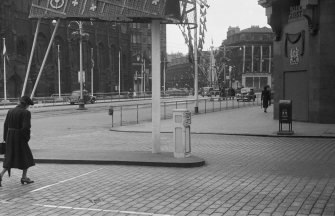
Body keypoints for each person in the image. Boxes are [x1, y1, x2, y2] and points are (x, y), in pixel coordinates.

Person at [0, 96, 35, 187]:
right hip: (20, 138)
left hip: (10, 137)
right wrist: (26, 138)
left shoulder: (10, 111)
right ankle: (24, 177)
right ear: (26, 104)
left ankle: (0, 175)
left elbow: (5, 125)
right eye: (28, 105)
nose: (28, 107)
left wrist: (6, 138)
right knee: (26, 157)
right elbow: (26, 127)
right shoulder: (26, 113)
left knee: (10, 157)